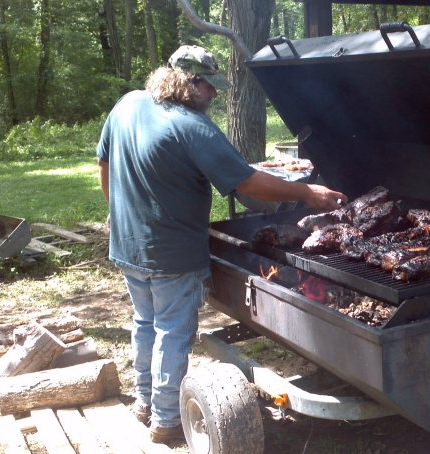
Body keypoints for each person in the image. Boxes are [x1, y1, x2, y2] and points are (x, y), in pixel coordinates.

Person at [96, 45, 347, 443]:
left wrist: (117, 212)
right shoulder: (192, 126)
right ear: (188, 82)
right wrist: (306, 193)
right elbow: (247, 183)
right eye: (209, 86)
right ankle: (166, 419)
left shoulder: (128, 105)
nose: (215, 93)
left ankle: (144, 401)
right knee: (172, 331)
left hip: (127, 243)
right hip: (171, 251)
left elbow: (104, 163)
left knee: (145, 322)